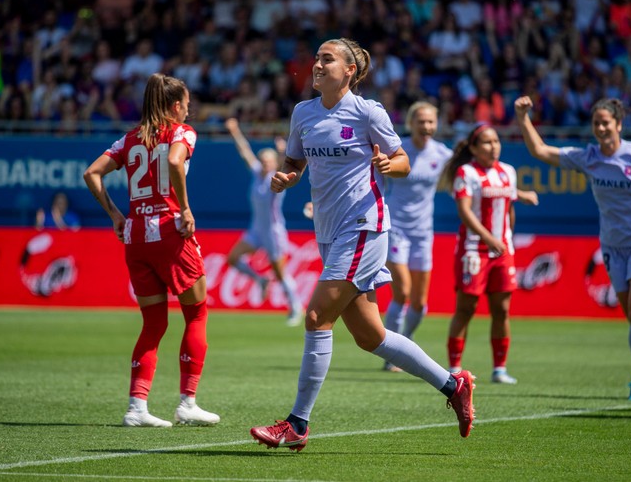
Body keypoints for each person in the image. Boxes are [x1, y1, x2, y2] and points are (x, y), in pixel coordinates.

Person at [249, 38, 476, 451]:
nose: (317, 65)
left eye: (327, 59)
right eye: (317, 58)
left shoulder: (367, 111)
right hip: (328, 231)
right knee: (371, 337)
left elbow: (402, 159)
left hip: (364, 227)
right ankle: (453, 385)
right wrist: (288, 177)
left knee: (316, 316)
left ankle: (297, 424)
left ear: (349, 70)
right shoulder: (303, 113)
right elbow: (295, 162)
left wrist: (391, 164)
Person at [514, 95, 631, 402]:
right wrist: (522, 117)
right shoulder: (588, 157)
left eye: (606, 122)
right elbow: (540, 150)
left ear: (619, 125)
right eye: (596, 123)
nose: (601, 128)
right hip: (612, 244)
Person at [83, 74, 219, 427]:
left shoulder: (129, 139)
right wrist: (184, 208)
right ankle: (187, 403)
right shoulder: (181, 132)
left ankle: (136, 408)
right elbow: (174, 161)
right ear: (175, 106)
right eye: (186, 104)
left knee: (154, 323)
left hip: (136, 236)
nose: (188, 110)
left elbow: (92, 173)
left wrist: (116, 215)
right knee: (197, 314)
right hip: (170, 232)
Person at [437, 122, 539, 385]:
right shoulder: (466, 172)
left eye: (496, 141)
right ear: (473, 148)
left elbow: (509, 208)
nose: (493, 147)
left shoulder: (508, 171)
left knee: (502, 309)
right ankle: (454, 369)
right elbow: (464, 210)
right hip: (473, 250)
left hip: (502, 250)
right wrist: (487, 237)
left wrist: (507, 239)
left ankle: (500, 369)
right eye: (487, 142)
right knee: (466, 308)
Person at [381, 101, 452, 372]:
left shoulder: (442, 154)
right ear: (411, 124)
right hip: (395, 227)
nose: (426, 126)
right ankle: (392, 353)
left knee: (420, 302)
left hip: (423, 233)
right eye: (421, 121)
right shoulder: (398, 150)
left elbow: (468, 175)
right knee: (402, 292)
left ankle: (406, 341)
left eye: (431, 121)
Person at [225, 117, 304, 326]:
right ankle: (260, 279)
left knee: (280, 272)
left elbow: (287, 165)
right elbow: (244, 152)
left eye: (270, 161)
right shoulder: (256, 173)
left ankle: (295, 307)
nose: (266, 164)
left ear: (274, 163)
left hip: (273, 232)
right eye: (264, 160)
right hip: (256, 230)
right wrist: (235, 131)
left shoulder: (276, 178)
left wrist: (282, 151)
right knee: (233, 258)